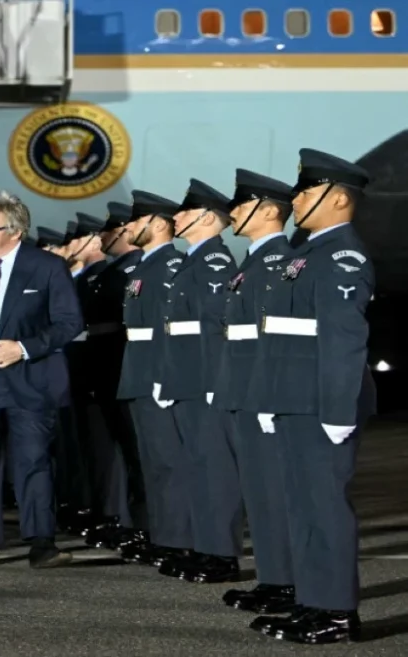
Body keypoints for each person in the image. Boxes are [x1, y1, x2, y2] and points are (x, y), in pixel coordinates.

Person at [246, 150, 373, 644]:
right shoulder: (307, 254)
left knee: (324, 507)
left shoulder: (342, 256)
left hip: (320, 403)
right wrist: (269, 397)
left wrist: (338, 409)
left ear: (338, 198)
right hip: (292, 399)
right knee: (301, 507)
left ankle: (338, 612)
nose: (295, 200)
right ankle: (314, 599)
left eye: (306, 191)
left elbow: (343, 340)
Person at [0, 198, 82, 567]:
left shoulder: (47, 267)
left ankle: (41, 543)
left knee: (34, 460)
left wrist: (23, 348)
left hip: (30, 377)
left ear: (16, 232)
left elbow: (70, 322)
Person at [213, 169, 296, 614]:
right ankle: (274, 577)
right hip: (242, 389)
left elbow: (275, 340)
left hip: (260, 391)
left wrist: (267, 395)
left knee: (273, 490)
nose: (234, 212)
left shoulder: (278, 262)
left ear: (268, 211)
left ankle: (287, 580)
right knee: (258, 490)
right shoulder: (253, 261)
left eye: (243, 205)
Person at [152, 179, 241, 583]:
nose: (177, 217)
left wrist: (213, 381)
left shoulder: (213, 261)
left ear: (206, 218)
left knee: (215, 469)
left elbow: (214, 327)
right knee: (198, 467)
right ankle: (205, 547)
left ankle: (221, 554)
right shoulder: (194, 260)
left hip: (204, 380)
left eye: (185, 212)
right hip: (187, 379)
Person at [115, 191, 189, 570]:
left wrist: (165, 376)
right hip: (139, 372)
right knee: (151, 464)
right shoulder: (147, 265)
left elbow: (169, 327)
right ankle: (161, 535)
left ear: (158, 224)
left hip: (156, 374)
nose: (128, 227)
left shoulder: (171, 265)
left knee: (169, 464)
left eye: (136, 220)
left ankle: (177, 540)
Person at [82, 202, 147, 552]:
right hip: (105, 363)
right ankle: (120, 516)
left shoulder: (134, 268)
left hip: (121, 361)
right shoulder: (115, 269)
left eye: (109, 230)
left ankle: (136, 522)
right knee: (114, 448)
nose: (102, 237)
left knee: (132, 449)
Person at [57, 213, 110, 536]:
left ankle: (95, 508)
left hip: (91, 367)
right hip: (75, 367)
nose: (71, 246)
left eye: (77, 239)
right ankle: (81, 503)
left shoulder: (100, 276)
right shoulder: (83, 278)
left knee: (96, 446)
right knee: (79, 444)